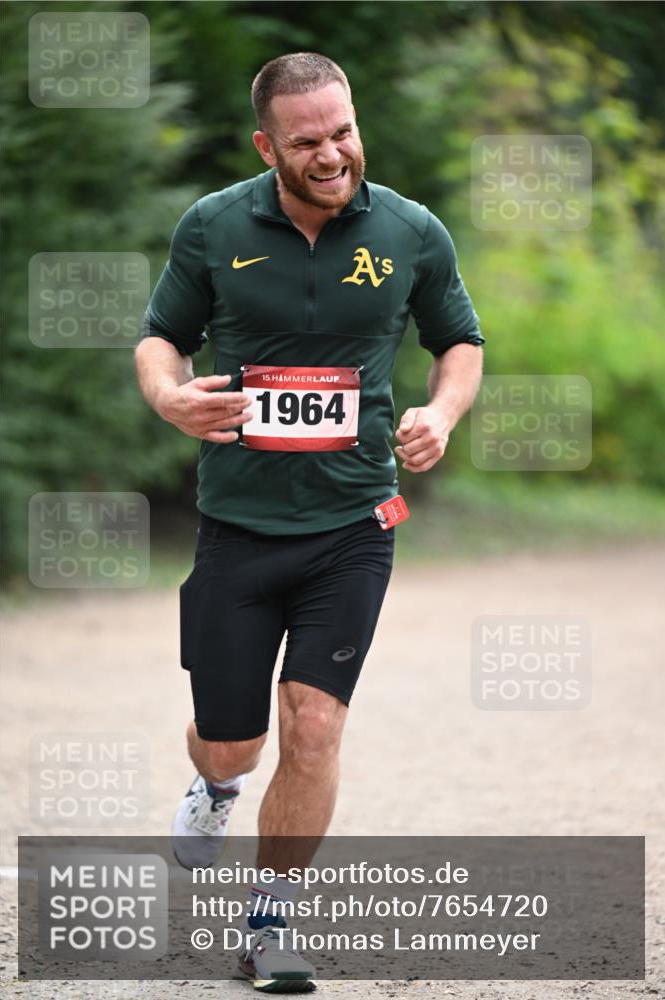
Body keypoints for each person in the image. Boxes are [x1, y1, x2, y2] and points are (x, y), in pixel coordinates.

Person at [136, 51, 483, 993]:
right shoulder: (212, 227)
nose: (332, 154)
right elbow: (160, 335)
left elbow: (459, 342)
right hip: (236, 525)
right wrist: (169, 397)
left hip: (353, 525)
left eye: (343, 131)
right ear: (267, 147)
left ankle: (269, 924)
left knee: (315, 726)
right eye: (307, 142)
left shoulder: (411, 230)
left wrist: (440, 414)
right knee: (232, 740)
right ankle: (213, 792)